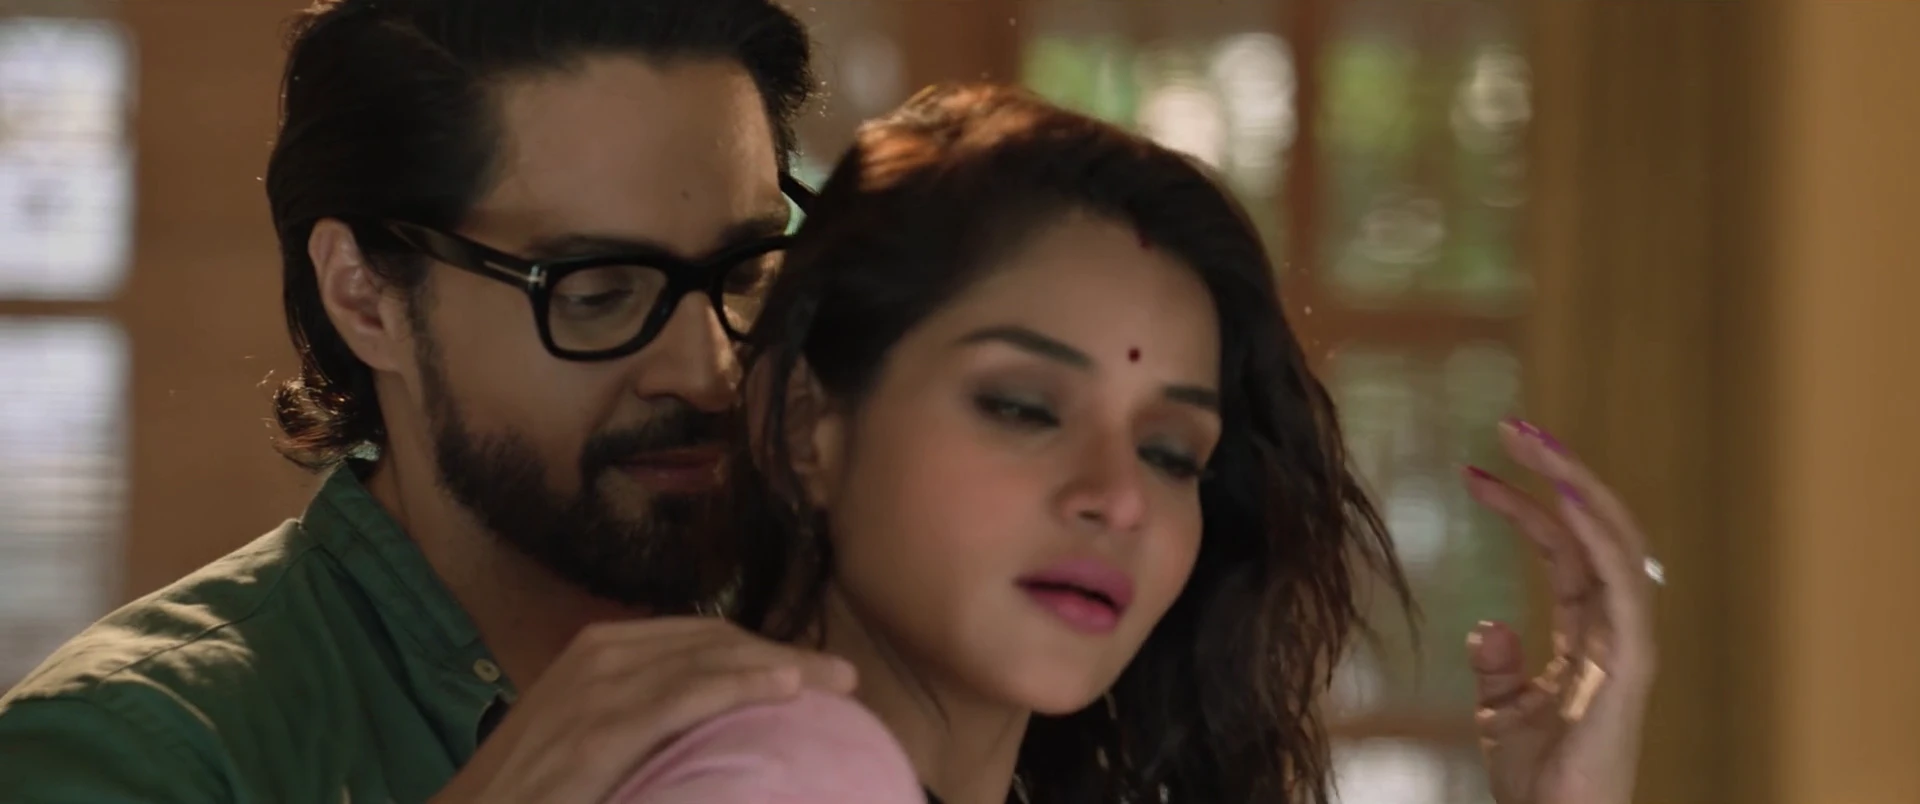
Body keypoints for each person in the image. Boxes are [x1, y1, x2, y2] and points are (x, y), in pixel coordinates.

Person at [608, 84, 1658, 804]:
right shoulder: (792, 773)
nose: (1117, 497)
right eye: (1023, 406)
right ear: (805, 424)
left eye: (1171, 454)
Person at [0, 1, 861, 802]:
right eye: (596, 293)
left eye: (745, 273)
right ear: (366, 297)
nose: (709, 371)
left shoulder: (846, 651)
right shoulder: (128, 752)